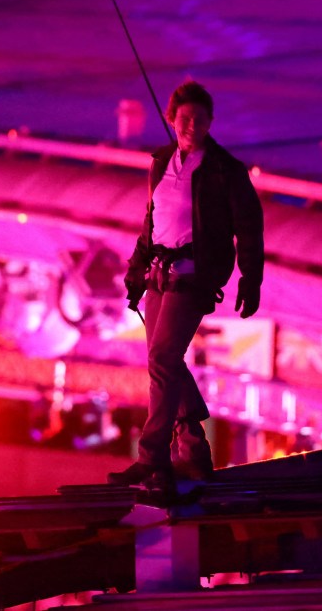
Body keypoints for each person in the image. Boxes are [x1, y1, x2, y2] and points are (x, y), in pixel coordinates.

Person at [108, 80, 264, 490]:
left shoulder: (225, 171)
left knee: (161, 359)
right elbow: (152, 220)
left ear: (211, 122)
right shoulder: (161, 162)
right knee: (165, 362)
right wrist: (137, 269)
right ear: (171, 120)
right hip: (159, 273)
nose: (192, 125)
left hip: (195, 277)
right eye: (185, 118)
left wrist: (250, 279)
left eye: (200, 118)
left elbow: (248, 226)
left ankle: (152, 456)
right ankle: (192, 446)